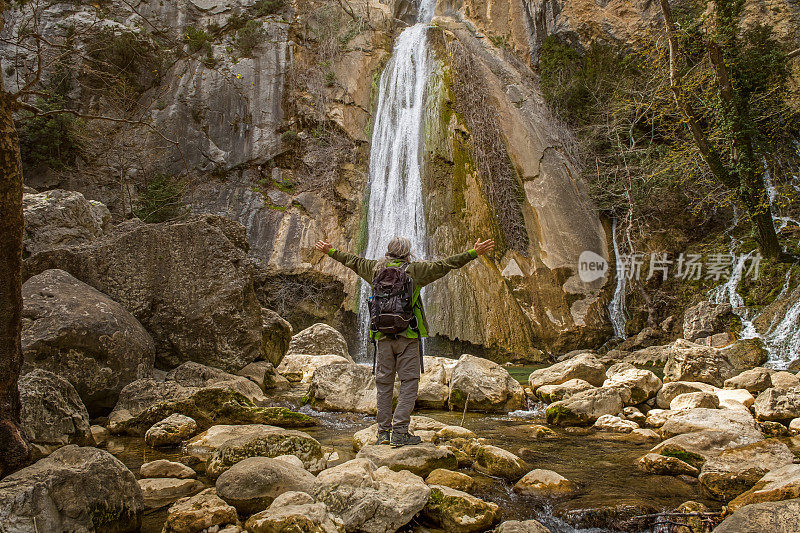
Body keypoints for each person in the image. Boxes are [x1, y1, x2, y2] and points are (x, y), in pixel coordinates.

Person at [315, 236, 495, 447]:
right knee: (409, 383)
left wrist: (330, 251)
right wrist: (474, 253)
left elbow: (351, 261)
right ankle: (400, 431)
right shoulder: (416, 271)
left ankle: (383, 433)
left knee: (384, 384)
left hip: (382, 337)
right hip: (408, 336)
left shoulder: (373, 268)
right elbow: (446, 265)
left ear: (388, 252)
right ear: (407, 253)